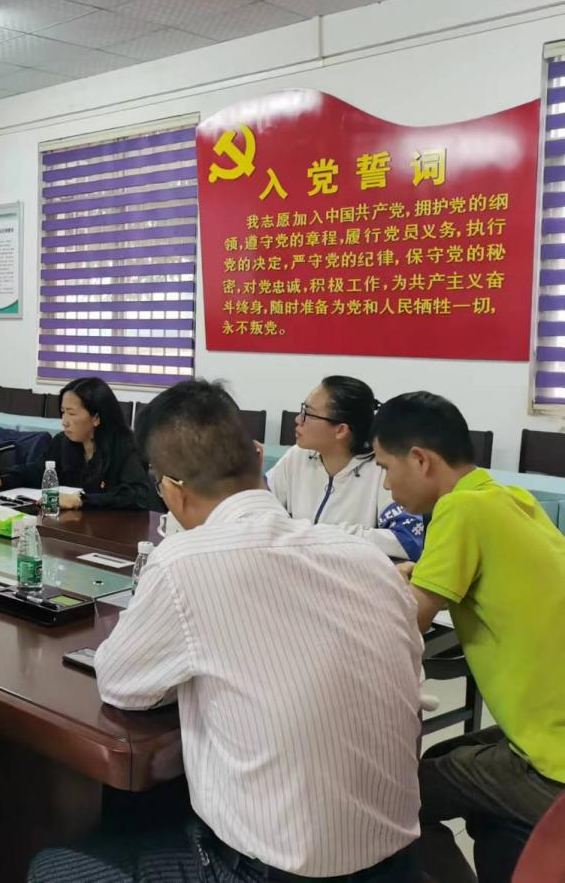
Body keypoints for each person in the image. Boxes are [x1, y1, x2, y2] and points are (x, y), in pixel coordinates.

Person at [30, 379, 423, 883]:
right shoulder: (367, 559)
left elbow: (121, 685)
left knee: (52, 869)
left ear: (171, 490)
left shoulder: (184, 563)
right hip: (397, 863)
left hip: (276, 871)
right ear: (257, 461)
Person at [372, 391, 565, 883]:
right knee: (443, 760)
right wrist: (412, 575)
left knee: (399, 797)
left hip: (554, 761)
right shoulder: (511, 499)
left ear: (420, 460)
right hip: (552, 730)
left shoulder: (459, 511)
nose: (387, 485)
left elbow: (404, 623)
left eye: (386, 468)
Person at [268, 375, 424, 559]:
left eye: (308, 414)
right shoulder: (297, 456)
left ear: (341, 430)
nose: (298, 419)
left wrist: (319, 535)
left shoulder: (383, 468)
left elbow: (407, 541)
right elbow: (257, 507)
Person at [0, 376, 160, 510]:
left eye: (71, 413)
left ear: (96, 418)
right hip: (73, 527)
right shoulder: (63, 442)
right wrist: (1, 481)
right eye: (63, 412)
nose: (64, 421)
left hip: (115, 533)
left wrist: (80, 500)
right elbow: (40, 470)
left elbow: (136, 495)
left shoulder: (126, 447)